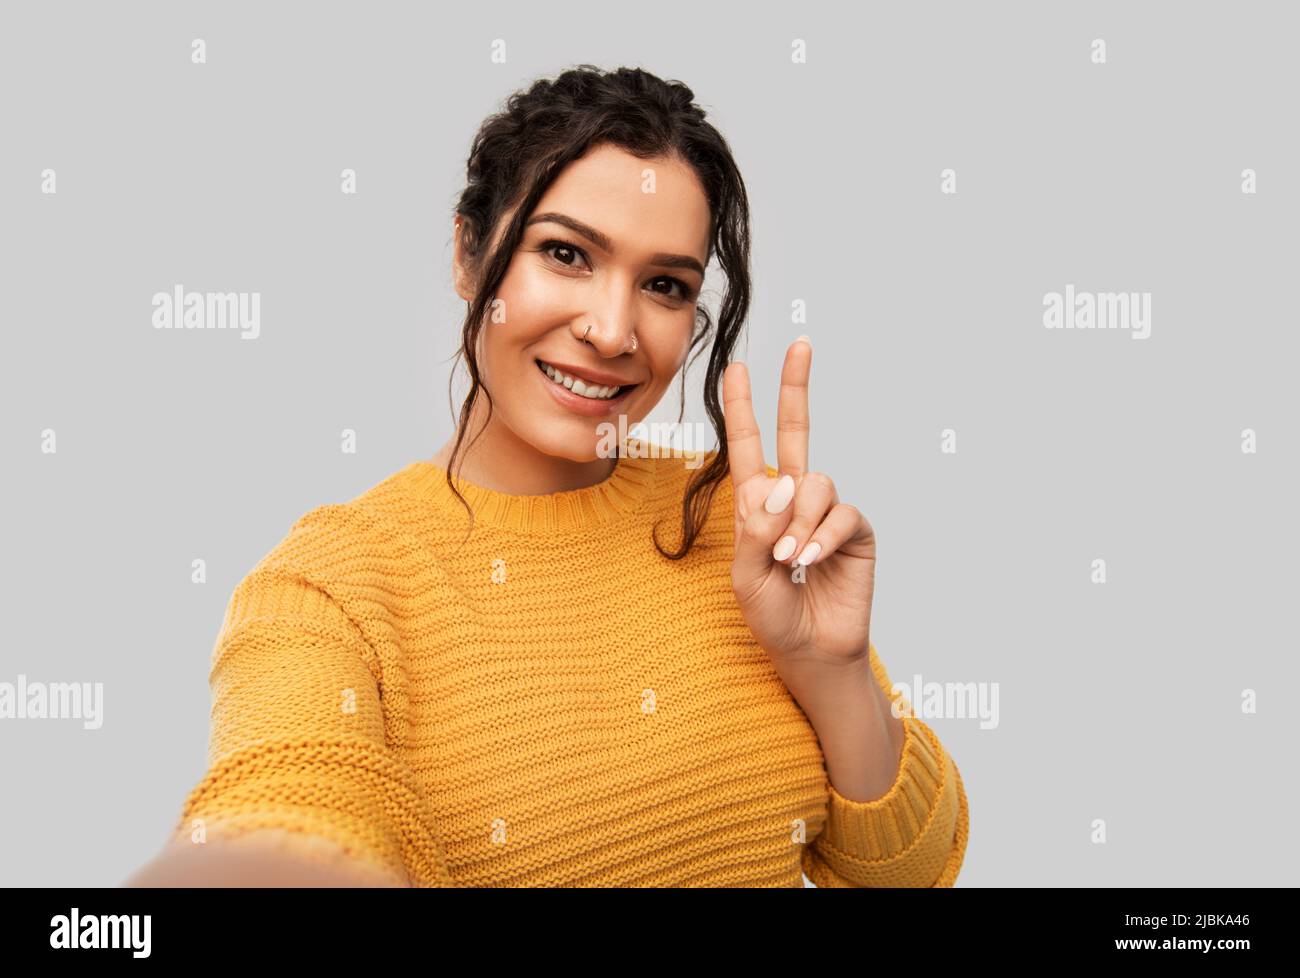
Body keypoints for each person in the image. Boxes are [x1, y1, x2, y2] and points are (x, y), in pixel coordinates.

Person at [125, 64, 968, 888]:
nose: (611, 330)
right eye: (566, 254)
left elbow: (913, 872)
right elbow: (286, 803)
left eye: (665, 285)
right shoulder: (332, 586)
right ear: (467, 252)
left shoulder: (738, 521)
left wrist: (832, 672)